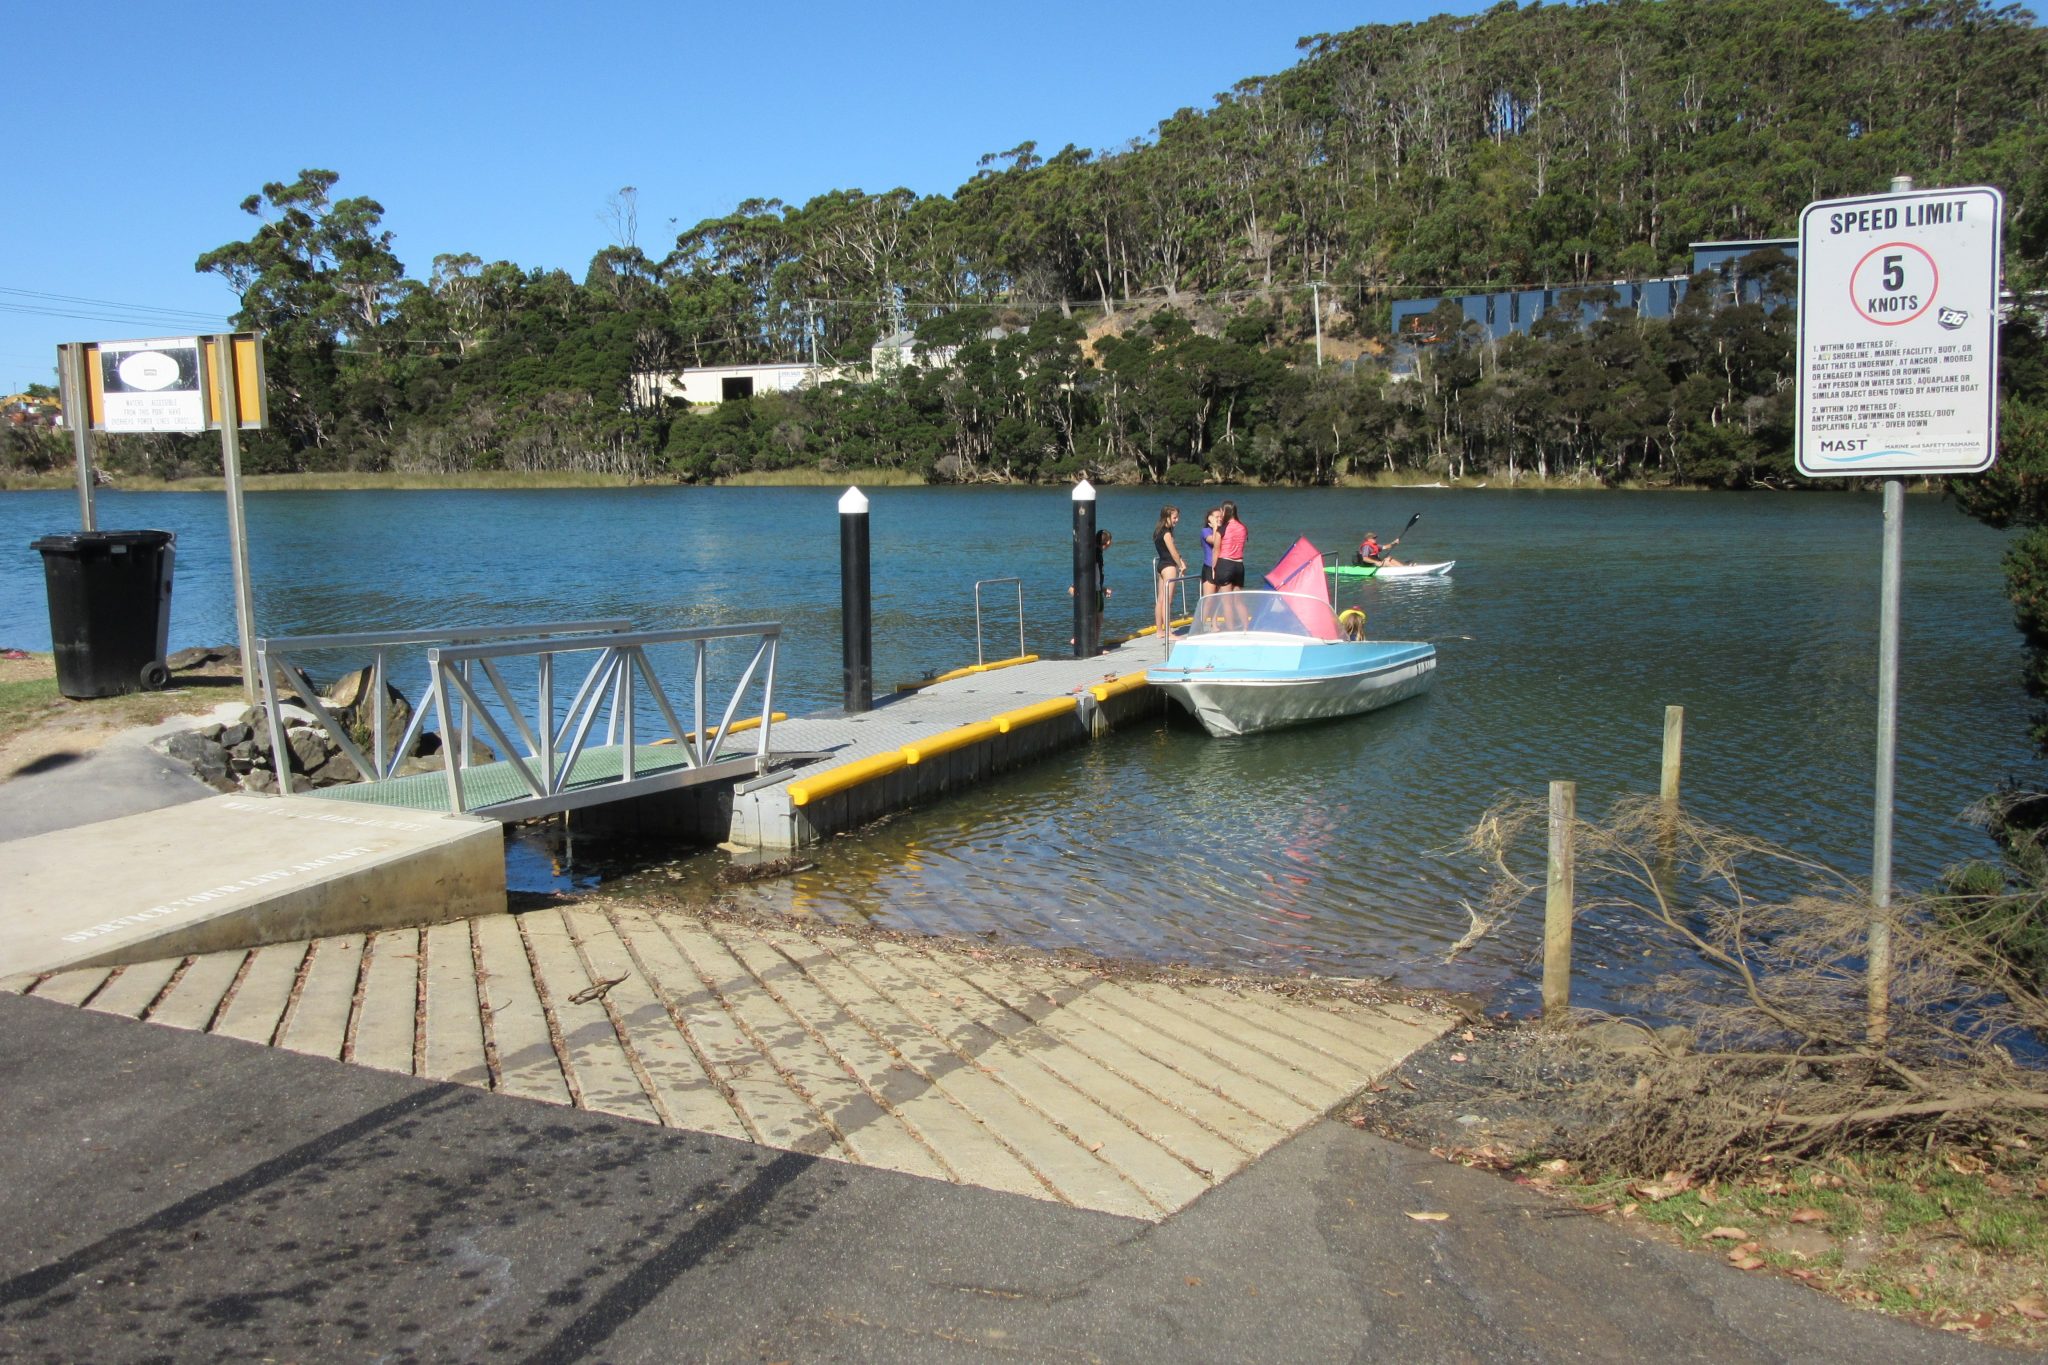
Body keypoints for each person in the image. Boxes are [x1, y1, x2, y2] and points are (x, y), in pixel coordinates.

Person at [1152, 505, 1185, 644]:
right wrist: (1181, 565)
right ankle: (1168, 632)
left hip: (1161, 566)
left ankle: (1159, 630)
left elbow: (1169, 550)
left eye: (1178, 517)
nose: (1177, 520)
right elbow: (1172, 551)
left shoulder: (1158, 531)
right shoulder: (1166, 533)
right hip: (1169, 567)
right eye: (1175, 517)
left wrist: (1180, 558)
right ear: (1167, 517)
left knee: (1160, 599)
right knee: (1167, 600)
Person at [1213, 501, 1247, 592]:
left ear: (1224, 511)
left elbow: (1216, 550)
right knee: (1238, 602)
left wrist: (1213, 568)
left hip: (1225, 564)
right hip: (1239, 566)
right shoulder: (1243, 527)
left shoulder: (1222, 528)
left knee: (1226, 602)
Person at [1197, 507, 1222, 598]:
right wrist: (1215, 526)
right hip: (1209, 567)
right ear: (1210, 519)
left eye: (1221, 516)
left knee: (1221, 601)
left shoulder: (1223, 531)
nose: (1219, 519)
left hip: (1222, 568)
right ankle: (1204, 613)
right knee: (1209, 600)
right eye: (1216, 517)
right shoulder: (1205, 531)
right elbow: (1214, 541)